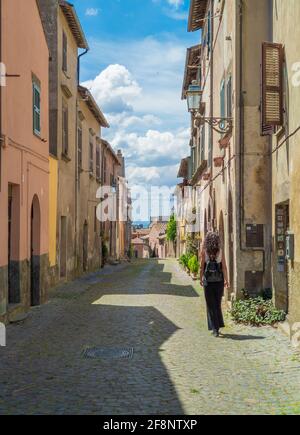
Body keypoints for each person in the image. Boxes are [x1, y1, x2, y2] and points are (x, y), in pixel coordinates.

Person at [200, 232, 229, 337]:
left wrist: (201, 278)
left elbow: (201, 266)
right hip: (219, 281)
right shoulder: (220, 251)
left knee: (210, 305)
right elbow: (224, 267)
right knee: (217, 304)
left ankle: (215, 329)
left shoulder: (204, 251)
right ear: (217, 241)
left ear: (207, 241)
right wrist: (226, 280)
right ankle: (217, 326)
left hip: (208, 282)